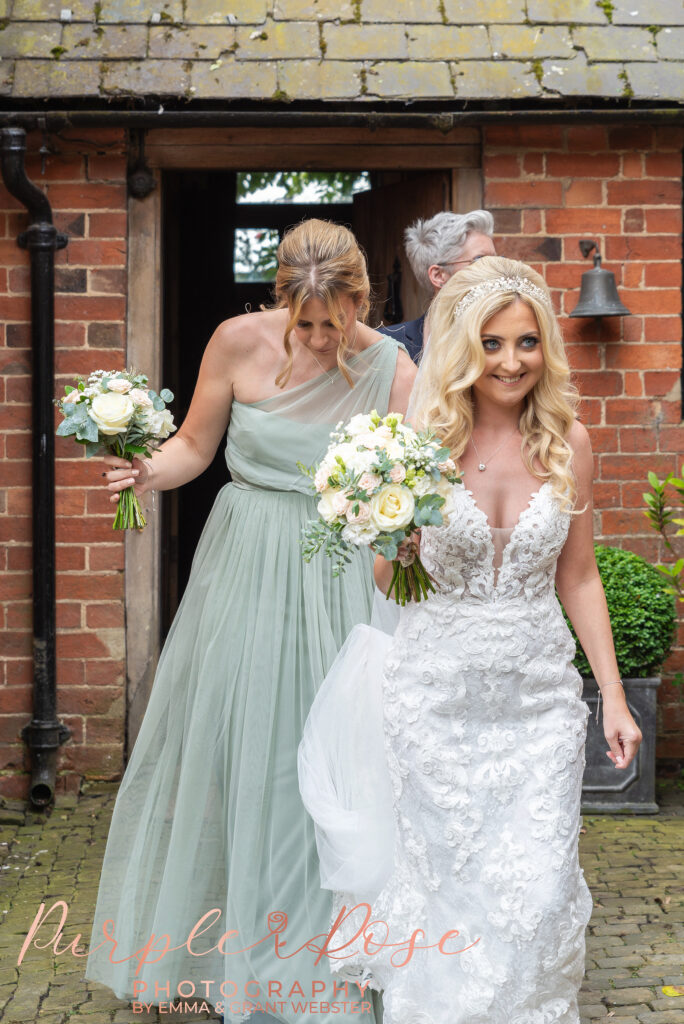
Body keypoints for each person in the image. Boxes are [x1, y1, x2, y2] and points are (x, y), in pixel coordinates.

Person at [84, 219, 416, 1024]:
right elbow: (193, 447)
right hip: (244, 566)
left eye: (331, 323)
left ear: (360, 302)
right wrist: (145, 470)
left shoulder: (392, 368)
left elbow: (411, 482)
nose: (315, 337)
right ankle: (230, 947)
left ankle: (327, 958)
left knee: (331, 760)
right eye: (303, 321)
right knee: (245, 749)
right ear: (279, 300)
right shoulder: (234, 342)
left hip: (338, 575)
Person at [298, 255, 642, 1024]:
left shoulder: (569, 443)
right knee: (447, 882)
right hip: (435, 697)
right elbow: (389, 581)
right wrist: (401, 535)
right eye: (492, 343)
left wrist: (612, 696)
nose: (511, 361)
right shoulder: (416, 446)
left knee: (539, 879)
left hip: (539, 700)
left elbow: (578, 577)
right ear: (463, 346)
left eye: (525, 343)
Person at [379, 209, 495, 362]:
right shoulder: (387, 344)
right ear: (438, 275)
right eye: (480, 260)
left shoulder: (506, 338)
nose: (495, 268)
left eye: (497, 259)